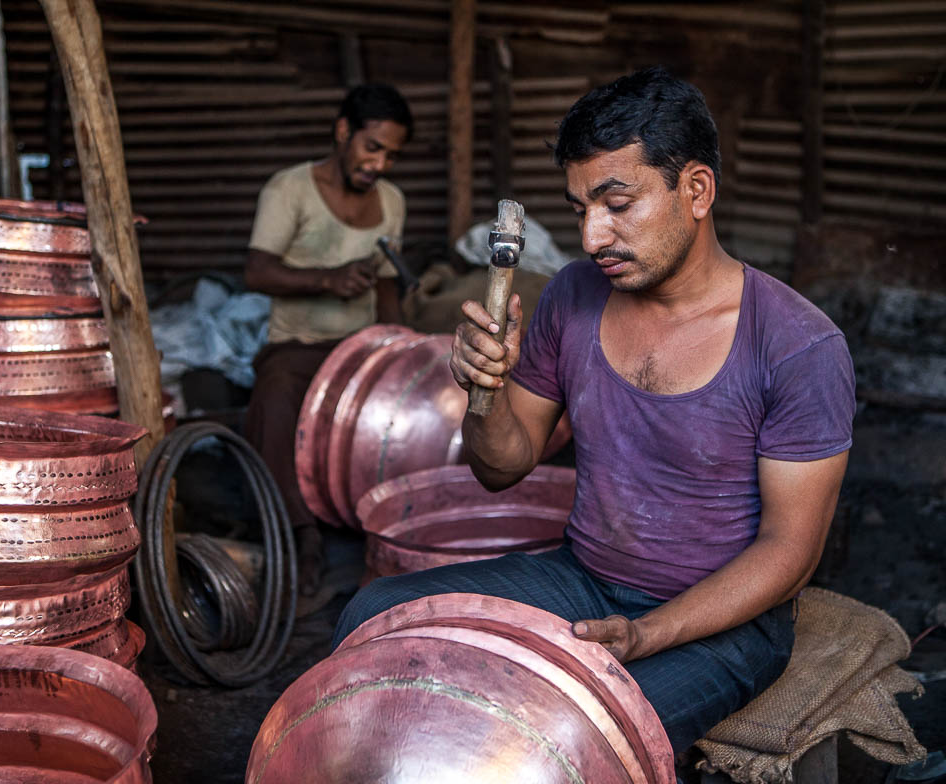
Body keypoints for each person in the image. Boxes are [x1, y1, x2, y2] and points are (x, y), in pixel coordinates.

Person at [332, 66, 855, 754]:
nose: (590, 238)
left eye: (616, 203)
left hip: (723, 625)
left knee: (566, 738)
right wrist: (483, 392)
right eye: (580, 208)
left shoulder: (797, 344)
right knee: (374, 614)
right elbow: (502, 468)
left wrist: (650, 634)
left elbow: (792, 549)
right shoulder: (573, 296)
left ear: (696, 190)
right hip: (583, 580)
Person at [243, 83, 413, 597]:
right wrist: (327, 279)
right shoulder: (289, 189)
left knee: (409, 407)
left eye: (391, 155)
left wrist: (401, 348)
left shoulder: (392, 202)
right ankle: (299, 533)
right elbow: (257, 271)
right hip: (298, 347)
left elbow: (387, 286)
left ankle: (391, 529)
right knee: (273, 394)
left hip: (358, 350)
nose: (379, 164)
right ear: (343, 132)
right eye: (371, 147)